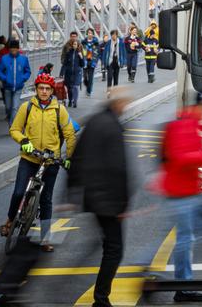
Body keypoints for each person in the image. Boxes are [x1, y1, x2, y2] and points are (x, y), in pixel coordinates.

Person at [155, 92, 202, 302]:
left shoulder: (191, 124)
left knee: (191, 235)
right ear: (200, 107)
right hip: (180, 191)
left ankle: (178, 281)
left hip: (186, 190)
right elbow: (181, 157)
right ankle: (183, 285)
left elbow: (190, 153)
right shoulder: (186, 125)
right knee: (186, 239)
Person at [67, 87, 132, 307]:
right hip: (108, 200)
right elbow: (118, 169)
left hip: (92, 197)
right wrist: (123, 204)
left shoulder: (94, 120)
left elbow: (77, 156)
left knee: (105, 244)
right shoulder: (113, 127)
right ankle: (101, 299)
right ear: (118, 103)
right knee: (114, 249)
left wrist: (70, 193)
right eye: (125, 103)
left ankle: (100, 296)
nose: (126, 107)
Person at [0, 73, 76, 253]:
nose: (44, 91)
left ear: (52, 91)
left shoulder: (59, 110)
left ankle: (45, 238)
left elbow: (70, 135)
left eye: (47, 88)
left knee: (46, 200)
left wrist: (69, 158)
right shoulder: (26, 107)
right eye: (40, 88)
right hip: (30, 158)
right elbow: (15, 129)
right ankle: (10, 220)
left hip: (51, 160)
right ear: (36, 89)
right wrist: (24, 141)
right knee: (19, 192)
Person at [0, 39, 33, 125]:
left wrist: (23, 78)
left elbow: (28, 71)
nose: (13, 51)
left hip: (18, 87)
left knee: (15, 107)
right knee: (8, 107)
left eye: (15, 49)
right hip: (7, 86)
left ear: (18, 49)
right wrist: (4, 78)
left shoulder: (23, 59)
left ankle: (12, 126)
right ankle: (9, 117)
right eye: (11, 49)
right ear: (9, 49)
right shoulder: (4, 59)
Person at [61, 35, 86, 108]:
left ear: (78, 45)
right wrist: (62, 73)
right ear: (72, 45)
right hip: (68, 73)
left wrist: (81, 57)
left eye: (76, 44)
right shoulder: (69, 53)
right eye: (73, 44)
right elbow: (65, 64)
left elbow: (83, 65)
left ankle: (75, 101)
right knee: (69, 88)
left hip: (77, 73)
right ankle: (70, 100)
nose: (75, 45)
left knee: (75, 87)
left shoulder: (80, 53)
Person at [82, 29, 101, 98]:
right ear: (87, 34)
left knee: (90, 78)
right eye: (89, 33)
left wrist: (96, 62)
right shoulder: (83, 43)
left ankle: (88, 91)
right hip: (85, 62)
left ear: (93, 34)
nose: (90, 34)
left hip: (92, 62)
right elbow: (81, 51)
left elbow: (98, 53)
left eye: (91, 33)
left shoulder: (96, 43)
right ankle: (88, 86)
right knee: (85, 78)